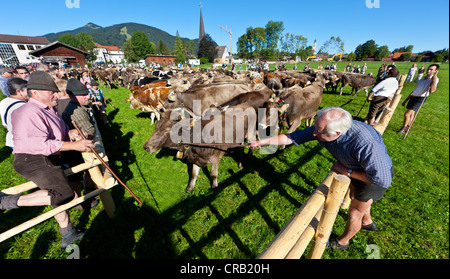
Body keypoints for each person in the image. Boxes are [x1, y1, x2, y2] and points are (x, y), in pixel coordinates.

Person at [248, 107, 394, 250]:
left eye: (319, 131)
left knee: (355, 212)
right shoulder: (325, 128)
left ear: (337, 133)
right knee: (355, 196)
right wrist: (262, 142)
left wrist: (347, 170)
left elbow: (382, 179)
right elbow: (292, 137)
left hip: (371, 178)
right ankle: (367, 221)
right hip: (357, 169)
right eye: (316, 127)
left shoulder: (365, 144)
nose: (314, 133)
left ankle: (343, 241)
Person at [0, 71, 94, 249]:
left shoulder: (49, 110)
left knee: (54, 194)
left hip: (46, 157)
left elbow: (61, 133)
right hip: (32, 159)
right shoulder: (28, 112)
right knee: (62, 193)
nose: (56, 95)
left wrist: (71, 134)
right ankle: (4, 202)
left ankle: (68, 233)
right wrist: (74, 146)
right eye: (51, 92)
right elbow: (39, 144)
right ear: (35, 92)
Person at [397, 64, 439, 135]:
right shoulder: (421, 79)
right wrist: (406, 100)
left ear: (435, 71)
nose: (428, 70)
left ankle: (403, 128)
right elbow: (414, 90)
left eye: (431, 69)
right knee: (411, 114)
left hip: (421, 98)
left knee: (407, 114)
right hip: (414, 96)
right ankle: (407, 127)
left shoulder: (434, 79)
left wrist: (434, 81)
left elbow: (432, 90)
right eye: (428, 69)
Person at [0, 78, 29, 149]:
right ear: (18, 91)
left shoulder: (3, 101)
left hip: (11, 139)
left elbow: (5, 124)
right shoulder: (22, 106)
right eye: (27, 90)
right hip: (22, 142)